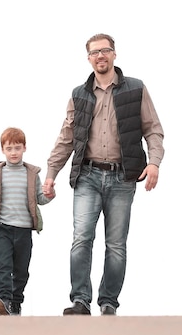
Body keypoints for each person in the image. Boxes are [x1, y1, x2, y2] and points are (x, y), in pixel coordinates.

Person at [43, 33, 165, 316]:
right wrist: (51, 173)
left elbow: (153, 129)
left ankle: (108, 302)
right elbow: (66, 138)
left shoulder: (136, 88)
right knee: (81, 239)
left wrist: (155, 162)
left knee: (116, 244)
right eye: (95, 52)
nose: (100, 56)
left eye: (105, 50)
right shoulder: (79, 94)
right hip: (87, 176)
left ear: (114, 54)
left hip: (123, 178)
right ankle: (80, 301)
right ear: (88, 58)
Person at [0, 127, 54, 316]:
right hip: (3, 228)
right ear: (3, 150)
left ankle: (15, 302)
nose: (13, 152)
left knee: (21, 269)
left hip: (24, 230)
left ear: (24, 148)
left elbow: (40, 198)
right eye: (9, 148)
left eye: (17, 148)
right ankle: (3, 298)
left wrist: (50, 194)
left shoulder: (31, 173)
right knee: (4, 265)